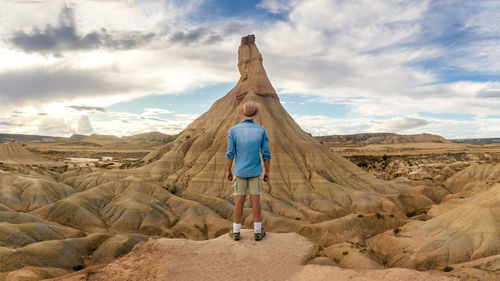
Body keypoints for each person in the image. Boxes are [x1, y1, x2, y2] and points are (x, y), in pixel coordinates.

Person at [226, 101, 271, 241]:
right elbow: (266, 154)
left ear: (243, 113)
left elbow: (230, 153)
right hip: (255, 171)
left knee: (239, 201)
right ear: (255, 115)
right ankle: (258, 232)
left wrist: (228, 171)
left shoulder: (233, 130)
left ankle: (236, 232)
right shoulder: (261, 130)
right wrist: (267, 171)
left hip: (239, 172)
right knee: (255, 202)